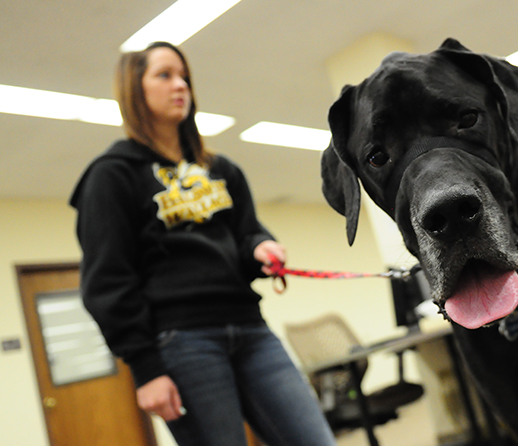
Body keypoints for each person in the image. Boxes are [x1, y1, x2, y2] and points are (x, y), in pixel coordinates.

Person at [70, 41, 337, 446]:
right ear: (134, 89)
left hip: (251, 330)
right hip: (181, 343)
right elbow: (106, 281)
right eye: (164, 75)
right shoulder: (112, 175)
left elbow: (247, 232)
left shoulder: (222, 170)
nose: (180, 85)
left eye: (184, 77)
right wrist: (146, 370)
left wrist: (260, 249)